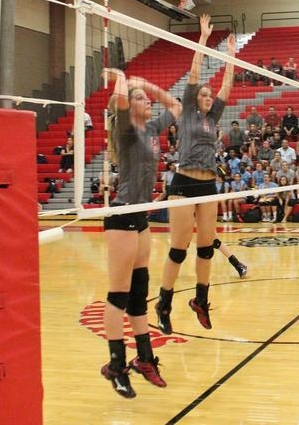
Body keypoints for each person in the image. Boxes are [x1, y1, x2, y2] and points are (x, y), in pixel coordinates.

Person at [99, 67, 182, 398]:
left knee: (138, 293)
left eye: (146, 98)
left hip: (141, 219)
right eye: (140, 98)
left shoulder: (151, 129)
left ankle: (144, 359)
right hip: (121, 217)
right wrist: (121, 78)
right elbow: (118, 99)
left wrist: (146, 85)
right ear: (129, 106)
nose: (147, 100)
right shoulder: (126, 130)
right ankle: (115, 366)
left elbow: (175, 106)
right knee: (119, 294)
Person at [155, 16, 236, 335]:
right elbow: (194, 70)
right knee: (179, 248)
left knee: (205, 248)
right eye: (203, 94)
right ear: (194, 98)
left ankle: (201, 300)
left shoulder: (213, 116)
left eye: (208, 95)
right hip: (184, 182)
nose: (207, 97)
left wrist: (230, 56)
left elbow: (227, 86)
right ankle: (164, 303)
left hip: (208, 184)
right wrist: (203, 39)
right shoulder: (188, 111)